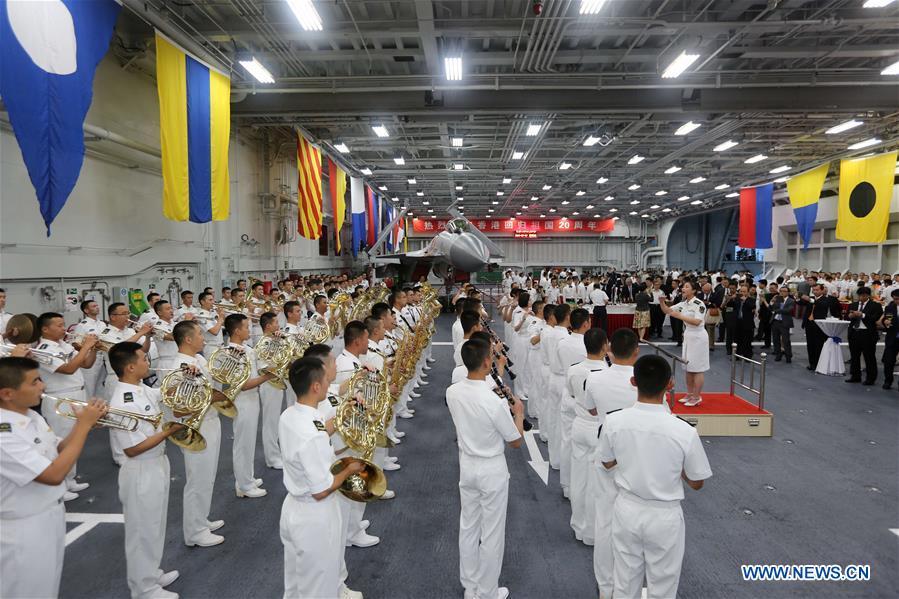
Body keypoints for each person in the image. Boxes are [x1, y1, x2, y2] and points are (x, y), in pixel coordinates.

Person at [599, 355, 712, 599]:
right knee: (663, 585)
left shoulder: (614, 420)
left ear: (633, 381)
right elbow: (697, 482)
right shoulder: (683, 430)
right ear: (670, 384)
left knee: (624, 580)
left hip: (627, 508)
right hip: (665, 515)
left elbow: (607, 461)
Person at [0, 356, 107, 599]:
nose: (43, 386)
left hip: (49, 515)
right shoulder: (4, 433)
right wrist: (83, 427)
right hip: (22, 528)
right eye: (35, 382)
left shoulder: (31, 417)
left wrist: (83, 425)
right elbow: (54, 475)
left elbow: (59, 449)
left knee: (47, 588)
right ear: (7, 393)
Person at [279, 357, 365, 599]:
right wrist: (349, 469)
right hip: (315, 514)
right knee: (319, 586)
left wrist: (342, 416)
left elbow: (320, 428)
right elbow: (322, 489)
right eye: (326, 381)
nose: (330, 385)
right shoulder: (311, 434)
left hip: (294, 508)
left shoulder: (291, 414)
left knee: (296, 583)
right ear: (315, 387)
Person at [446, 337, 525, 599]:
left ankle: (470, 586)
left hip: (466, 465)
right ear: (487, 362)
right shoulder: (494, 401)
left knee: (468, 526)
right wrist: (519, 415)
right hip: (491, 468)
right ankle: (488, 591)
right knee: (491, 533)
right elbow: (515, 441)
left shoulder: (453, 391)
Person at [107, 343, 182, 599]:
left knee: (155, 524)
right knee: (142, 531)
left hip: (156, 462)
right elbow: (133, 449)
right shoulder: (123, 401)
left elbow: (162, 394)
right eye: (143, 358)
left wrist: (185, 378)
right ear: (130, 367)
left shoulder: (140, 389)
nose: (147, 361)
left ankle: (151, 573)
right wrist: (168, 431)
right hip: (141, 469)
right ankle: (143, 588)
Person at [158, 320, 225, 547]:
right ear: (187, 339)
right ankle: (195, 532)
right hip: (198, 425)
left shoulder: (199, 359)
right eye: (199, 334)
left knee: (208, 476)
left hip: (211, 421)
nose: (203, 337)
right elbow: (178, 408)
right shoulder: (180, 367)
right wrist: (210, 399)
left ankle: (201, 520)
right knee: (198, 479)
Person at [584, 328, 640, 597]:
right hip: (637, 455)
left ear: (610, 350)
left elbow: (592, 409)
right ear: (636, 351)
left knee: (605, 520)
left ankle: (606, 587)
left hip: (605, 448)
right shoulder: (644, 381)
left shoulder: (595, 379)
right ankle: (628, 585)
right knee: (635, 522)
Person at [35, 312, 100, 497]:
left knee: (75, 437)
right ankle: (59, 486)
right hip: (60, 398)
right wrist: (85, 346)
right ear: (45, 329)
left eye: (64, 324)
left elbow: (86, 364)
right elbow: (69, 369)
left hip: (77, 393)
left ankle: (69, 480)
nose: (64, 328)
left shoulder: (64, 344)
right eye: (59, 325)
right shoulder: (44, 348)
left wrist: (94, 348)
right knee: (62, 440)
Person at [224, 314, 276, 497]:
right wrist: (268, 377)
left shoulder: (245, 348)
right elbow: (242, 385)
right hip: (243, 400)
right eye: (246, 327)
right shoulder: (232, 352)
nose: (249, 330)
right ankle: (244, 486)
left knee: (249, 441)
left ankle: (247, 478)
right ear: (237, 331)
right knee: (243, 444)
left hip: (251, 398)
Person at [568, 327, 608, 546]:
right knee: (597, 483)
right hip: (599, 428)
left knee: (579, 478)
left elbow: (572, 393)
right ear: (604, 346)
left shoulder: (574, 370)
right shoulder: (606, 371)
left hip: (580, 424)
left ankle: (578, 524)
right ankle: (592, 531)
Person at [555, 308, 591, 498]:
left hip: (567, 391)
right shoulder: (587, 346)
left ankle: (566, 484)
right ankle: (579, 487)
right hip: (584, 398)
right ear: (585, 324)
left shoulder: (563, 342)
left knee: (567, 440)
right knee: (585, 448)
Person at [660, 281, 709, 407]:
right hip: (688, 336)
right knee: (688, 367)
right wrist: (661, 302)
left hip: (698, 336)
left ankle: (697, 396)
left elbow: (697, 321)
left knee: (697, 368)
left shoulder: (699, 304)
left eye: (687, 286)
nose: (683, 288)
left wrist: (680, 316)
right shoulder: (683, 303)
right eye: (683, 286)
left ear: (694, 291)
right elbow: (668, 311)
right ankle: (690, 393)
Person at [257, 312, 286, 470]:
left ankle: (275, 453)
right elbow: (265, 367)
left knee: (274, 421)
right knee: (270, 422)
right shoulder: (264, 343)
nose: (278, 325)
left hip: (276, 382)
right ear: (268, 326)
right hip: (269, 383)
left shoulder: (273, 340)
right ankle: (272, 458)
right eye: (275, 322)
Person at [846, 287, 883, 385]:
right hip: (854, 332)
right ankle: (855, 375)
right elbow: (846, 316)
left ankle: (871, 378)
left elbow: (875, 318)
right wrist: (850, 316)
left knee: (869, 356)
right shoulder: (853, 305)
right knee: (854, 356)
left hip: (867, 334)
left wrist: (862, 315)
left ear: (868, 296)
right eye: (860, 296)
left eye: (864, 296)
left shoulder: (875, 306)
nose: (861, 297)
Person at [770, 287, 795, 363]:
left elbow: (788, 310)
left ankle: (788, 356)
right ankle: (778, 354)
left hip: (784, 322)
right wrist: (772, 302)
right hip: (776, 321)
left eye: (784, 291)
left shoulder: (791, 300)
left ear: (788, 292)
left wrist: (777, 310)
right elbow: (771, 308)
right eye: (781, 291)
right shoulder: (777, 299)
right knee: (775, 339)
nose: (782, 292)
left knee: (786, 340)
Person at [880, 289, 899, 390]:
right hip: (892, 338)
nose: (897, 301)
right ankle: (888, 380)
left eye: (898, 299)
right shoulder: (890, 307)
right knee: (888, 361)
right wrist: (885, 321)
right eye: (895, 299)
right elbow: (885, 319)